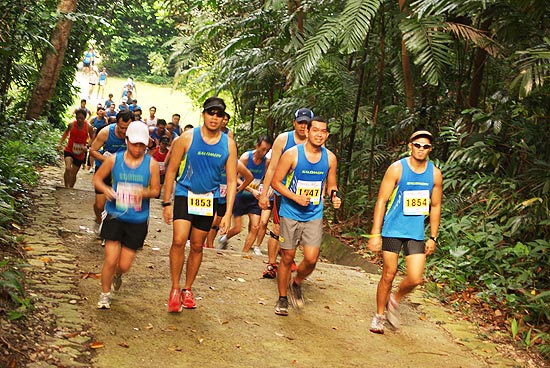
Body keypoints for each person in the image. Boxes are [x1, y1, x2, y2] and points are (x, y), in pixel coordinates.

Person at [162, 97, 237, 312]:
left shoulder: (228, 144)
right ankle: (175, 289)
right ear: (203, 114)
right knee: (178, 240)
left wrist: (228, 212)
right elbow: (172, 170)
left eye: (218, 114)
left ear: (223, 119)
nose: (214, 118)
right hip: (186, 193)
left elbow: (231, 181)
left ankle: (187, 289)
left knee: (196, 245)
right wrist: (167, 201)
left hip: (208, 200)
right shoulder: (187, 138)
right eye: (210, 113)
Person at [367, 130, 442, 334]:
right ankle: (379, 316)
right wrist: (375, 233)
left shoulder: (434, 173)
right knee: (388, 274)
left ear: (430, 150)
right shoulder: (397, 168)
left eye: (425, 146)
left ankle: (395, 299)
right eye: (417, 145)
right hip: (393, 229)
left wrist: (433, 236)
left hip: (415, 232)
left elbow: (435, 206)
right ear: (410, 146)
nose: (421, 149)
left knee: (416, 278)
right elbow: (382, 200)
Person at [271, 116, 341, 316]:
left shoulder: (330, 158)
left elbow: (332, 184)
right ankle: (282, 298)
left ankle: (297, 281)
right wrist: (295, 197)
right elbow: (276, 182)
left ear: (327, 135)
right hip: (290, 212)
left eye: (323, 131)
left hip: (313, 213)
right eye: (315, 130)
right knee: (287, 256)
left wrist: (335, 195)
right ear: (307, 132)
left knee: (311, 259)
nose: (319, 134)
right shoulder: (292, 154)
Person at [94, 121, 161, 309]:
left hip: (137, 220)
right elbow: (97, 179)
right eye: (134, 144)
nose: (138, 148)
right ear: (126, 140)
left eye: (142, 145)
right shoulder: (114, 160)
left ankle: (118, 274)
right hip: (115, 215)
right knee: (110, 258)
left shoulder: (151, 164)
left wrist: (143, 193)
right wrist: (106, 189)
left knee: (124, 264)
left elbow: (156, 190)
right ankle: (104, 294)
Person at [258, 107, 314, 278]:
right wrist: (264, 192)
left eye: (307, 123)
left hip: (304, 194)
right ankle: (271, 264)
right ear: (294, 123)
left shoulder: (315, 142)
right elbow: (272, 167)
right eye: (300, 122)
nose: (303, 126)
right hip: (282, 192)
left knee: (296, 231)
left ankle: (287, 258)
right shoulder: (283, 139)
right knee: (277, 228)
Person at [219, 136, 272, 255]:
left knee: (255, 227)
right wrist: (250, 189)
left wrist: (266, 190)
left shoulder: (267, 162)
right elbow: (235, 179)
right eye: (262, 149)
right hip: (241, 195)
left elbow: (267, 178)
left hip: (254, 199)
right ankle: (225, 238)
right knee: (238, 228)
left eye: (267, 151)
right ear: (257, 146)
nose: (264, 153)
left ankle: (245, 253)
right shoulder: (246, 158)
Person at [89, 110, 134, 224]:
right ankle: (99, 219)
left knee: (121, 205)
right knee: (100, 205)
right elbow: (93, 151)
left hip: (123, 173)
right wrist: (109, 161)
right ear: (116, 123)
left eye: (126, 128)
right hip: (104, 170)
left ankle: (112, 230)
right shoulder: (106, 132)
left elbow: (150, 146)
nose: (124, 131)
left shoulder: (135, 134)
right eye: (121, 128)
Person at [205, 160, 254, 249]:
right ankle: (207, 244)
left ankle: (209, 244)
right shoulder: (215, 159)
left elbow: (250, 177)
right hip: (211, 194)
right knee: (212, 220)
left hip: (224, 198)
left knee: (217, 222)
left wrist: (239, 189)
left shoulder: (236, 163)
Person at [58, 109, 94, 188]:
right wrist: (60, 143)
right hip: (69, 149)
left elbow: (93, 138)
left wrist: (87, 146)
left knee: (74, 173)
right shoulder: (71, 125)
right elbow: (65, 133)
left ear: (85, 118)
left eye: (81, 118)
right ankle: (66, 186)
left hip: (80, 152)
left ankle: (71, 187)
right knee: (68, 168)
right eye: (78, 118)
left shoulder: (88, 127)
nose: (79, 120)